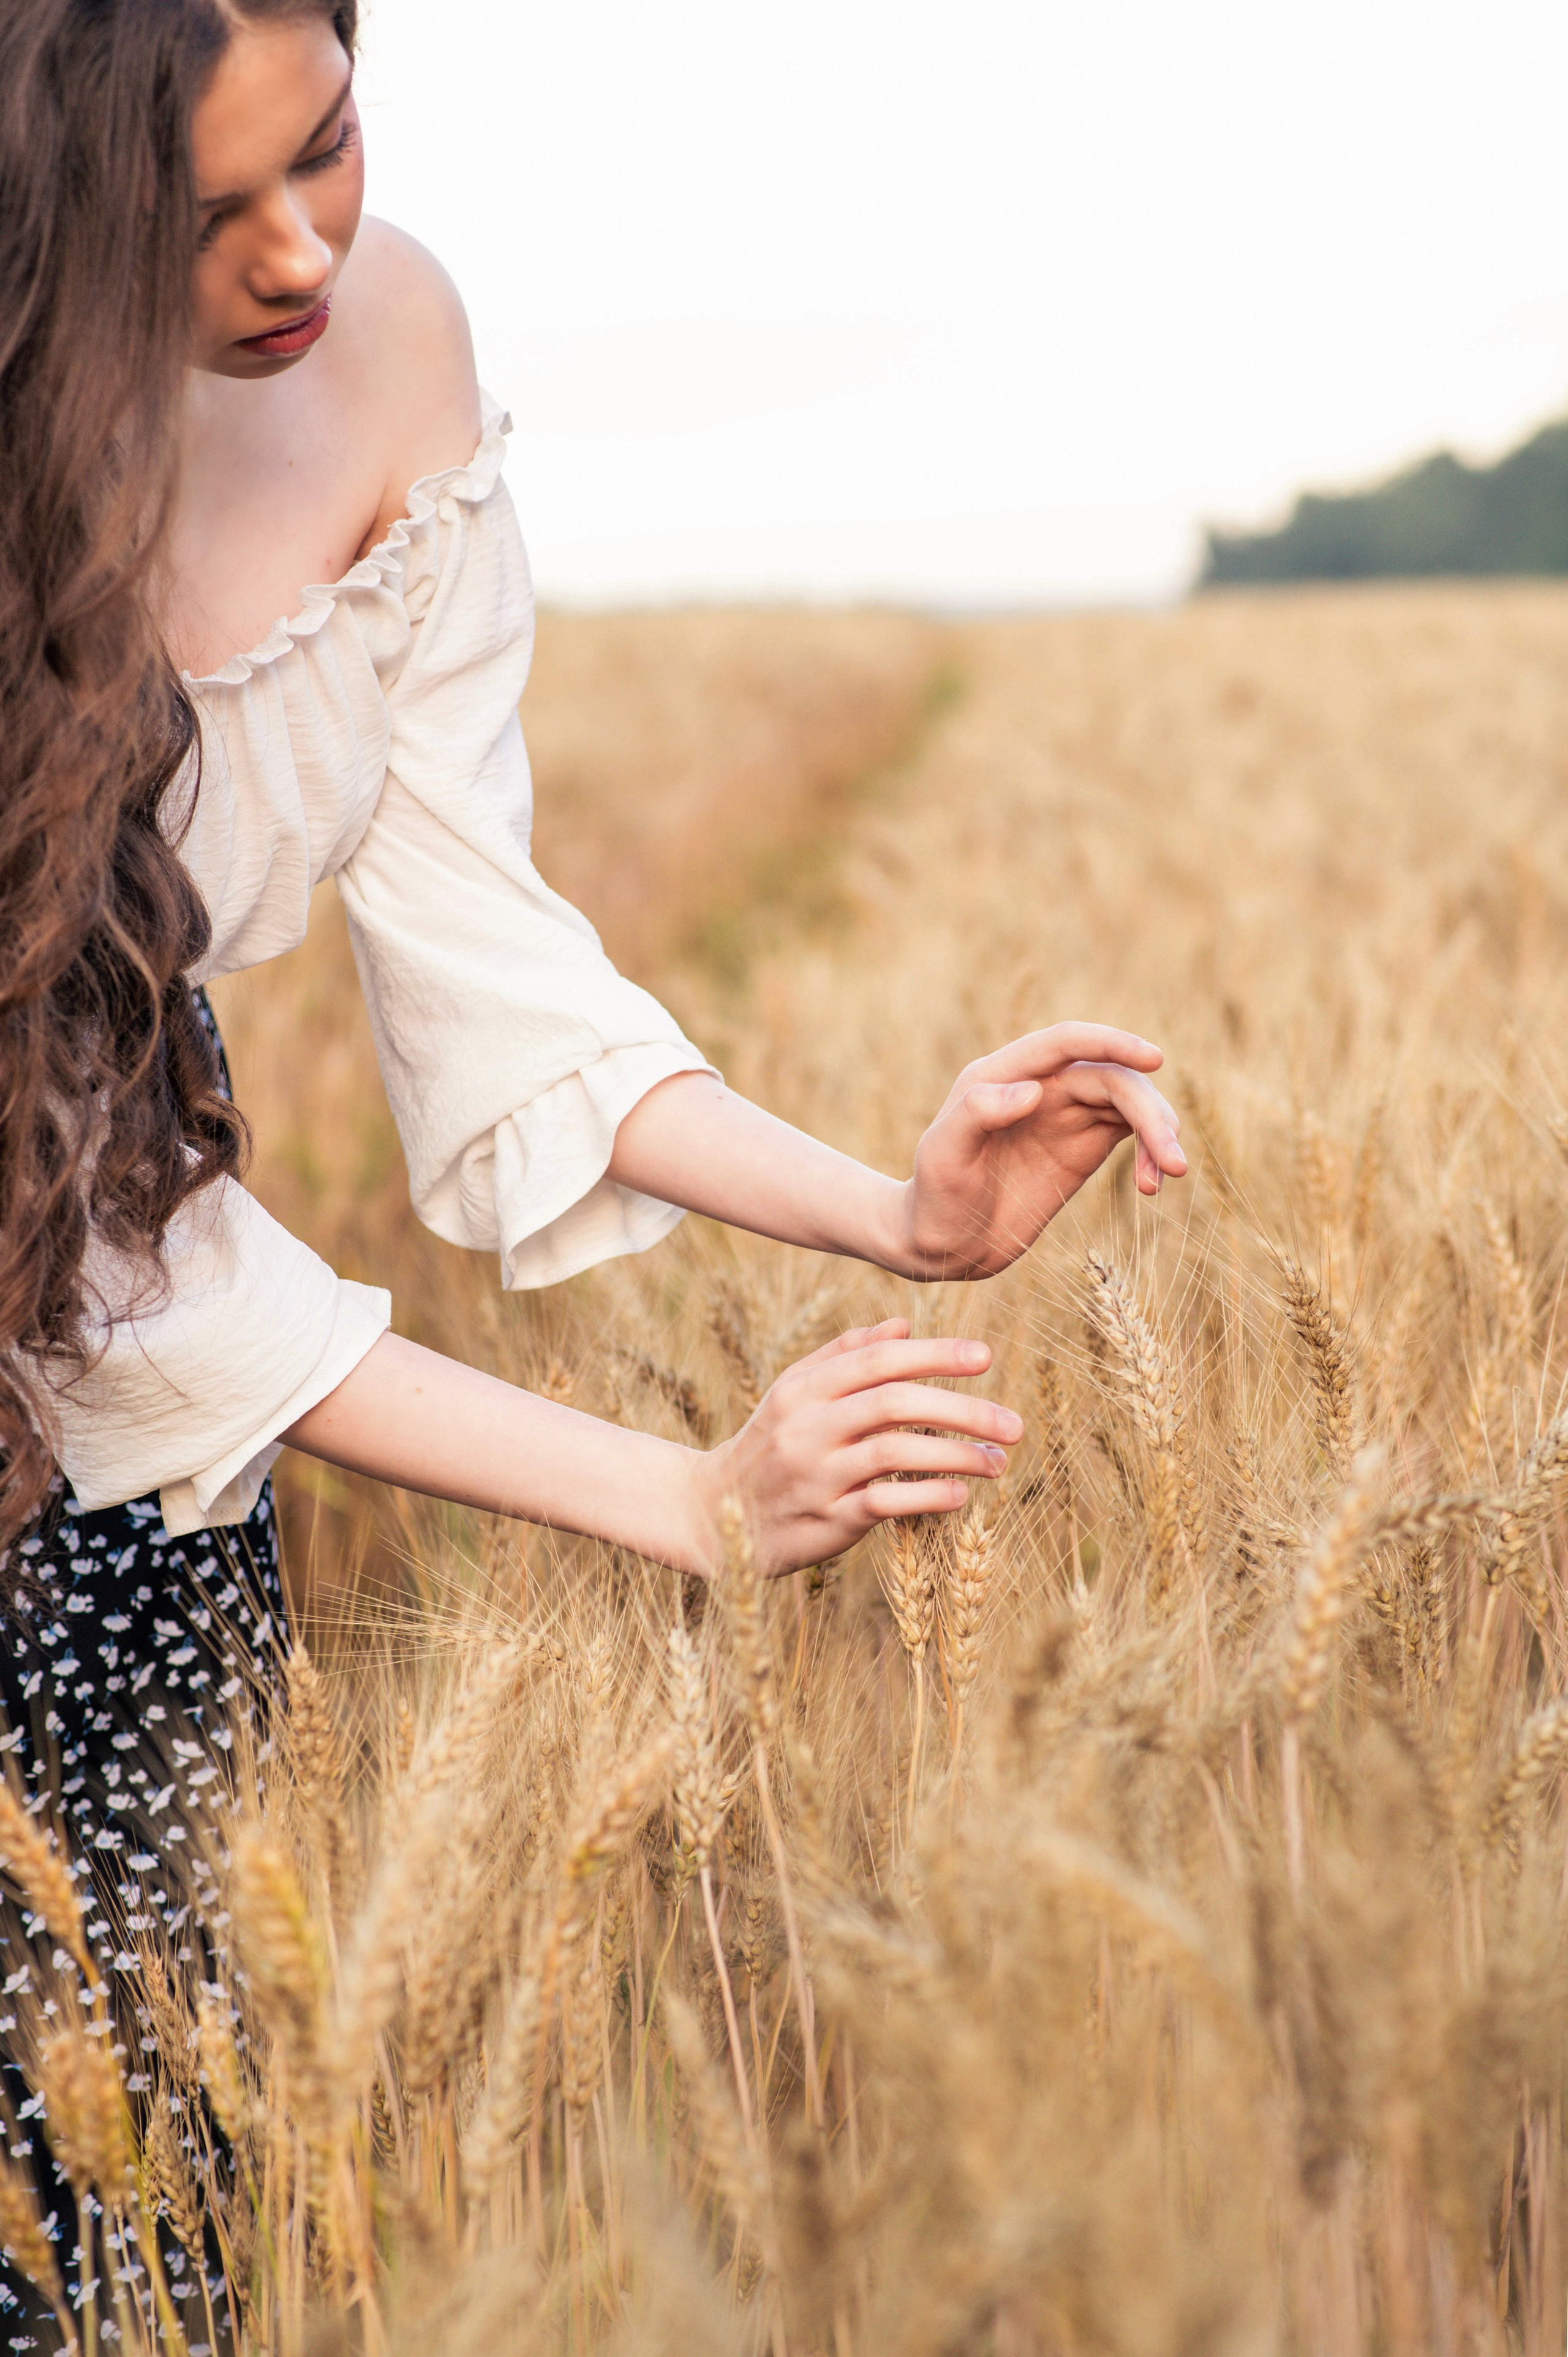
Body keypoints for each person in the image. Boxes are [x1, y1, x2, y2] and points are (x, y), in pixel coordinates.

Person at [0, 1, 1185, 2315]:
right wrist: (682, 1499)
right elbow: (112, 1272)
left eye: (325, 143)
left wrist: (898, 1214)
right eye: (198, 210)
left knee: (171, 2233)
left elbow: (480, 948)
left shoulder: (394, 339)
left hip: (149, 1526)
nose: (297, 246)